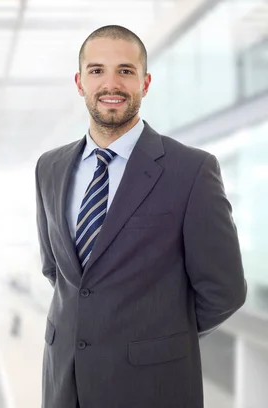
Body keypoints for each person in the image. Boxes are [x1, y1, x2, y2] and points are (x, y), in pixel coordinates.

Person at [35, 25, 246, 408]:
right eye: (97, 70)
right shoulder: (49, 168)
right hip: (64, 380)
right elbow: (57, 269)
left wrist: (158, 337)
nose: (111, 84)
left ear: (145, 83)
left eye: (125, 71)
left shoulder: (191, 170)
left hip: (152, 385)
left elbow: (224, 290)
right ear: (79, 82)